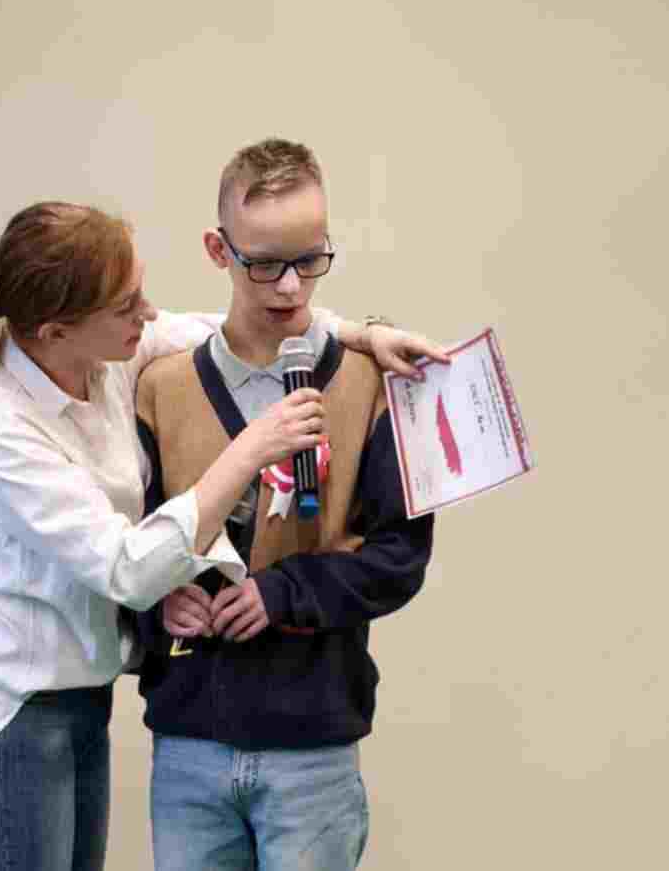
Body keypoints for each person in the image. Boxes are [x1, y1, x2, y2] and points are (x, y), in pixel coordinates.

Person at [0, 199, 445, 871]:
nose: (149, 314)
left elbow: (236, 328)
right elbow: (125, 568)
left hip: (81, 699)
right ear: (57, 330)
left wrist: (366, 335)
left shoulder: (109, 361)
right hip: (5, 716)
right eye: (126, 306)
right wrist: (252, 449)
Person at [129, 138, 439, 871]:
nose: (291, 287)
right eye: (265, 264)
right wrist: (156, 601)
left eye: (310, 260)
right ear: (219, 250)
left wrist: (282, 593)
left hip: (313, 746)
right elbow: (116, 547)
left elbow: (399, 559)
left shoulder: (373, 384)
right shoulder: (160, 388)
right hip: (189, 742)